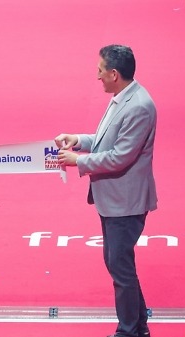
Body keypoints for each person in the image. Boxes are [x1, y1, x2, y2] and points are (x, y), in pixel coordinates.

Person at [55, 45, 156, 337]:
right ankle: (139, 328)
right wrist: (79, 140)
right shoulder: (123, 97)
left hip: (127, 202)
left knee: (121, 270)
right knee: (120, 266)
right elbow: (105, 140)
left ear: (114, 74)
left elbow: (120, 156)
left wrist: (79, 161)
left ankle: (128, 332)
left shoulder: (139, 105)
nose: (96, 75)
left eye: (100, 70)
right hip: (113, 199)